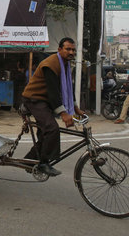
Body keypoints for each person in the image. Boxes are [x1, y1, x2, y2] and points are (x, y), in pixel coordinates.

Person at [21, 37, 86, 176]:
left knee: (45, 134)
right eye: (68, 49)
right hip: (34, 99)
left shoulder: (65, 64)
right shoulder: (51, 64)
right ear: (59, 50)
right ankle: (44, 163)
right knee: (52, 129)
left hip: (44, 100)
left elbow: (68, 88)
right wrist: (64, 114)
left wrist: (75, 109)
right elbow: (53, 92)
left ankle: (28, 161)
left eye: (73, 50)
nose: (71, 52)